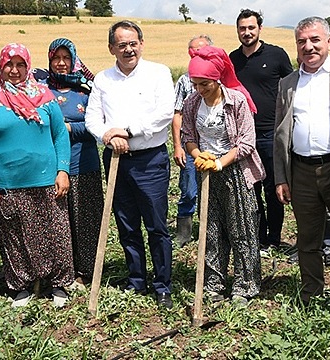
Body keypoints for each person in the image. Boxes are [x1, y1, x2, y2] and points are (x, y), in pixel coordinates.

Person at [0, 43, 73, 308]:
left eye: (20, 65)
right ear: (1, 66)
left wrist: (62, 170)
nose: (15, 70)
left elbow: (60, 135)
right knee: (14, 235)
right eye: (9, 64)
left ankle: (59, 284)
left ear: (28, 66)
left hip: (45, 177)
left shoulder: (44, 96)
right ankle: (21, 285)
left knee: (55, 232)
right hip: (7, 181)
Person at [85, 20, 175, 309]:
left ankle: (162, 285)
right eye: (121, 44)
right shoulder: (102, 79)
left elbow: (163, 114)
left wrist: (128, 130)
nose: (128, 49)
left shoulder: (158, 73)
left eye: (133, 43)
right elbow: (91, 119)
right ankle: (136, 279)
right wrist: (108, 136)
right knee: (126, 224)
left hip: (149, 160)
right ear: (112, 48)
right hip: (116, 160)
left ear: (142, 44)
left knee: (157, 225)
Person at [274, 16, 330, 305]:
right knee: (308, 240)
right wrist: (281, 177)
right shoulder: (287, 84)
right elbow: (280, 133)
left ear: (329, 42)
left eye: (314, 40)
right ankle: (311, 293)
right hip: (302, 172)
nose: (308, 47)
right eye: (302, 41)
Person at [182, 46, 264, 304]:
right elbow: (188, 137)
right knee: (211, 230)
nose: (200, 89)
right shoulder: (191, 103)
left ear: (217, 79)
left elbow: (247, 143)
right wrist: (198, 156)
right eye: (195, 84)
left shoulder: (236, 101)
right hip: (206, 172)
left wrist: (219, 163)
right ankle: (214, 283)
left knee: (242, 229)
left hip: (235, 172)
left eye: (204, 84)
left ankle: (245, 285)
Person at [229, 9, 293, 252]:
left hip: (271, 133)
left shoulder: (276, 55)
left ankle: (274, 239)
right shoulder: (232, 59)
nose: (246, 33)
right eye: (242, 28)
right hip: (243, 136)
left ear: (259, 29)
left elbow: (290, 88)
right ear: (238, 30)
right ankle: (258, 236)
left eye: (251, 28)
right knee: (250, 188)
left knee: (273, 187)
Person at [46, 38, 102, 287]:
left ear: (74, 60)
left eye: (66, 58)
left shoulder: (88, 90)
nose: (60, 63)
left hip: (84, 162)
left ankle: (88, 270)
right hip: (53, 166)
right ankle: (62, 270)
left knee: (86, 219)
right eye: (56, 58)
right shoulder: (42, 90)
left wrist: (65, 128)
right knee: (58, 221)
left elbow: (96, 126)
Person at [171, 34, 213, 247]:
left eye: (201, 50)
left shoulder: (219, 77)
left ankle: (212, 230)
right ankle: (184, 233)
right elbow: (177, 114)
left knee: (215, 190)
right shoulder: (185, 80)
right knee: (188, 188)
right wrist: (178, 145)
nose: (197, 54)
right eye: (193, 51)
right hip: (190, 145)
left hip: (215, 146)